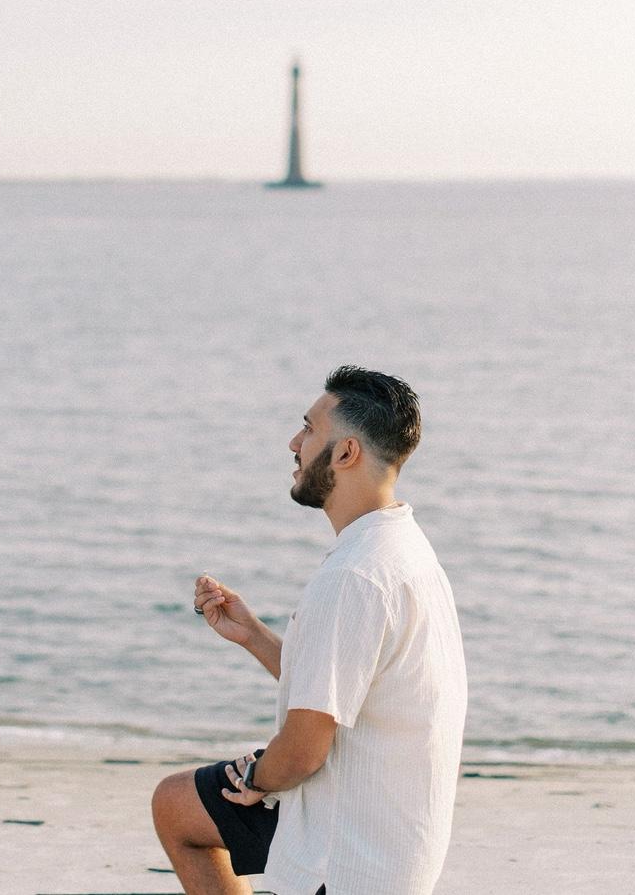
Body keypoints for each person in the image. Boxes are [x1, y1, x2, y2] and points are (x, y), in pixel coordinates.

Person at [152, 366, 467, 895]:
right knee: (178, 804)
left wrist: (257, 778)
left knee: (196, 798)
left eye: (308, 429)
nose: (294, 443)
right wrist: (254, 635)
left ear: (345, 453)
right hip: (394, 839)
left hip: (346, 857)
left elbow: (302, 753)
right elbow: (342, 690)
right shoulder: (403, 548)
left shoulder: (354, 576)